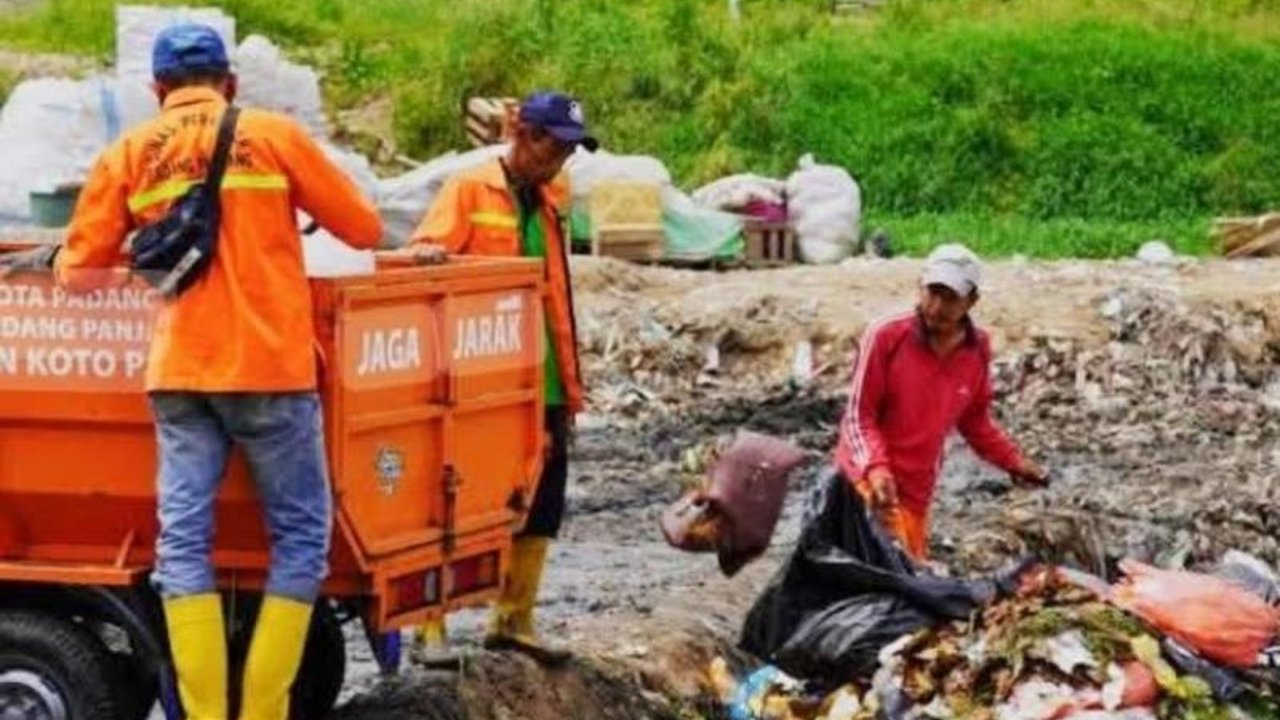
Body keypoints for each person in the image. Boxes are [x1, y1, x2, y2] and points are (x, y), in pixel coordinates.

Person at [1, 23, 383, 720]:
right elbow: (362, 228)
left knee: (183, 545)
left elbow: (84, 275)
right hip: (271, 371)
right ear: (229, 83)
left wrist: (49, 260)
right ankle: (263, 709)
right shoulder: (272, 136)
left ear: (157, 91)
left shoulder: (128, 153)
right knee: (299, 541)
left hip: (180, 376)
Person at [403, 90, 595, 663]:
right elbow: (423, 253)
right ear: (527, 137)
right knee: (458, 500)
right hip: (484, 387)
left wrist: (570, 387)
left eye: (569, 151)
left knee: (542, 502)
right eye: (556, 147)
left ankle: (514, 620)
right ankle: (429, 627)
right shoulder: (469, 190)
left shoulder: (554, 195)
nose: (561, 161)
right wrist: (432, 258)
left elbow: (557, 289)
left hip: (546, 379)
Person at [835, 243, 1047, 561]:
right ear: (919, 287)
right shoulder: (885, 336)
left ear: (972, 301)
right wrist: (877, 469)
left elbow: (975, 421)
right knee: (870, 574)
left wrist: (1013, 462)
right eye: (931, 293)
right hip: (865, 481)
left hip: (915, 488)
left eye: (950, 298)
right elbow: (858, 416)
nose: (936, 307)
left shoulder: (977, 350)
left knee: (909, 575)